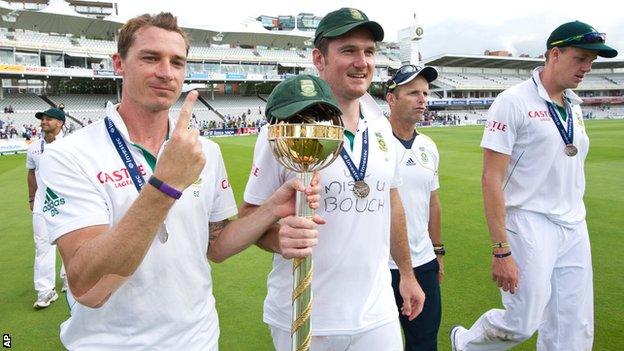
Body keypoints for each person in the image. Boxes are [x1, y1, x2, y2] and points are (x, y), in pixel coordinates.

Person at [38, 12, 321, 350]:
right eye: (150, 58)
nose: (166, 72)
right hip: (110, 343)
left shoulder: (207, 152)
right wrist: (165, 185)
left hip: (198, 339)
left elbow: (216, 246)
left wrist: (272, 207)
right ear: (119, 63)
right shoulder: (69, 155)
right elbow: (87, 287)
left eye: (177, 62)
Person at [241, 8, 425, 351]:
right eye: (348, 51)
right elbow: (248, 217)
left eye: (369, 52)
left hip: (376, 312)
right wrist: (280, 238)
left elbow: (391, 202)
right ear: (318, 58)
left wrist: (407, 274)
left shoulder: (381, 125)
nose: (362, 62)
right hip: (304, 312)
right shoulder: (284, 128)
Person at [450, 21, 618, 350]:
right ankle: (467, 343)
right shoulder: (512, 102)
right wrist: (501, 249)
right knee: (522, 322)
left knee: (574, 323)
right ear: (555, 54)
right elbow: (491, 178)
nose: (587, 68)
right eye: (581, 58)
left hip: (573, 224)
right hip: (528, 221)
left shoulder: (574, 105)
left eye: (592, 61)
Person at [386, 65, 444, 350]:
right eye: (412, 93)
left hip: (423, 263)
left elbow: (433, 202)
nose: (422, 99)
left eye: (424, 93)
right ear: (391, 99)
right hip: (381, 266)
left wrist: (438, 252)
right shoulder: (374, 142)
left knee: (424, 343)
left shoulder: (428, 145)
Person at [26, 107, 68, 309]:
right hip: (43, 203)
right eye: (42, 118)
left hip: (69, 201)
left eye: (48, 118)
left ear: (59, 123)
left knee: (70, 242)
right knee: (42, 246)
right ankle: (45, 291)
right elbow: (31, 173)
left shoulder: (71, 145)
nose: (43, 121)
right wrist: (31, 198)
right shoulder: (34, 147)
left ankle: (69, 278)